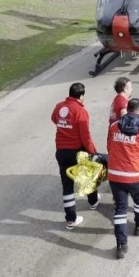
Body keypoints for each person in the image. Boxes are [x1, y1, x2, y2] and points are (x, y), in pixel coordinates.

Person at [107, 98, 139, 259]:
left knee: (120, 209)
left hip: (115, 176)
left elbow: (109, 147)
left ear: (126, 109)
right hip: (134, 176)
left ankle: (121, 245)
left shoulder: (114, 126)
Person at [51, 82, 98, 230]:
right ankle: (93, 202)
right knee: (87, 177)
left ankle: (71, 219)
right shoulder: (80, 111)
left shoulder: (59, 106)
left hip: (61, 151)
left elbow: (54, 119)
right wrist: (92, 151)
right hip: (76, 151)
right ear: (81, 96)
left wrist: (65, 127)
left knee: (67, 185)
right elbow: (85, 135)